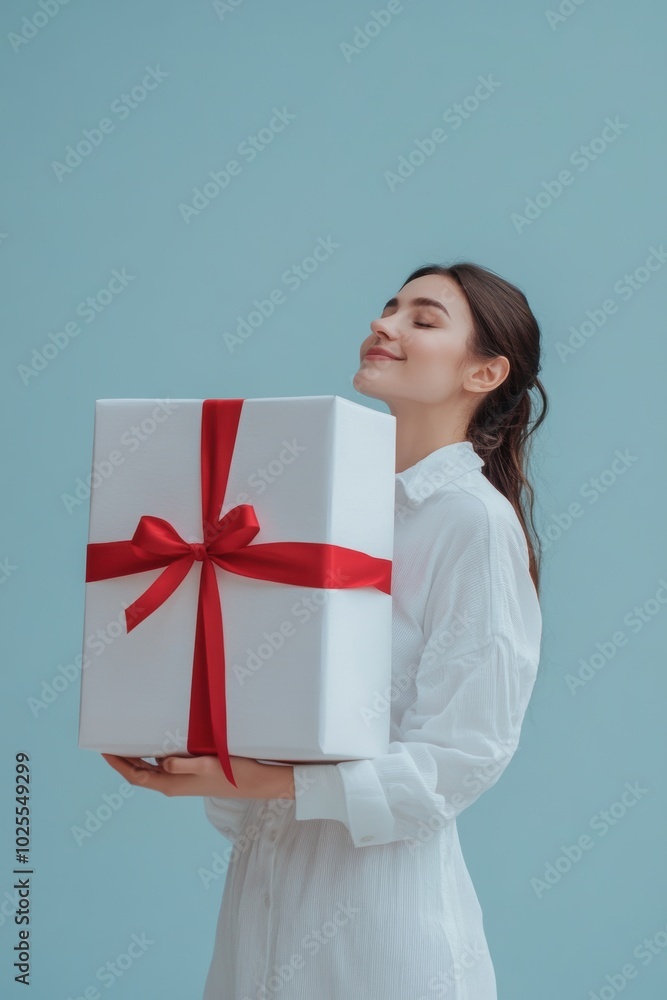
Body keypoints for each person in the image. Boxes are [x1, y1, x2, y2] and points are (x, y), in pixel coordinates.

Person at [103, 260, 547, 999]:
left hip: (383, 929)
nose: (384, 324)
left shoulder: (469, 523)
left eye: (422, 318)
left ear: (485, 373)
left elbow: (463, 757)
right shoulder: (328, 508)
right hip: (263, 903)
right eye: (388, 307)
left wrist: (261, 780)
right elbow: (283, 706)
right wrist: (200, 745)